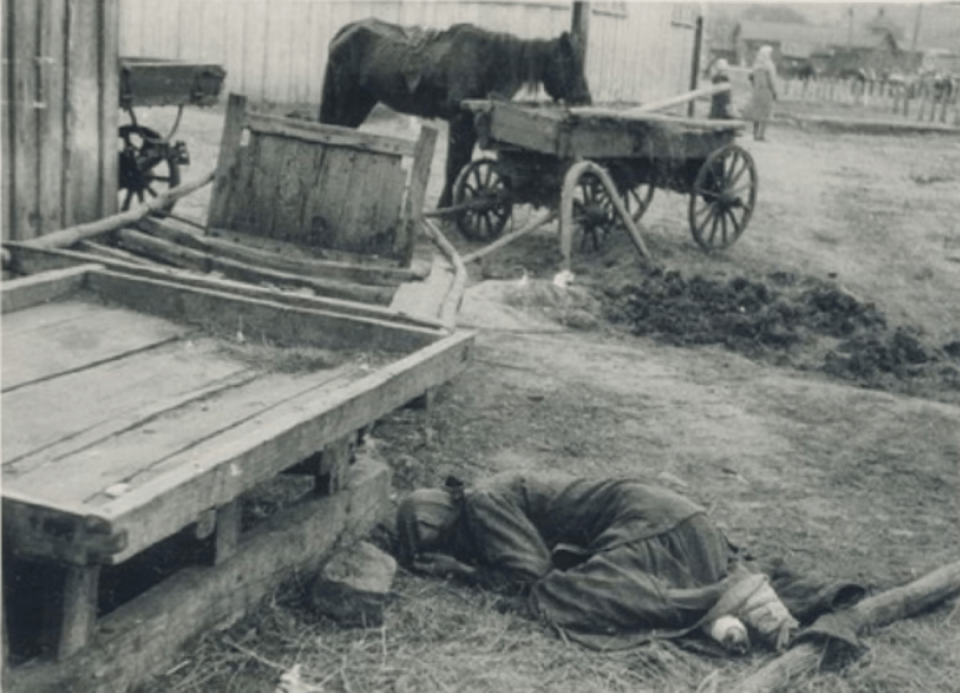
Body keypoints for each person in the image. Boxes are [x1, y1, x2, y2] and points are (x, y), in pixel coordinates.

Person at [395, 471, 804, 652]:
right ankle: (719, 616)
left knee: (561, 597)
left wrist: (465, 574)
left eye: (445, 541)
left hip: (657, 529)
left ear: (448, 514)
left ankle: (731, 596)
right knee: (613, 587)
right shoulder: (494, 492)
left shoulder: (481, 501)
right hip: (683, 526)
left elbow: (534, 574)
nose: (454, 549)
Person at [746, 45, 778, 141]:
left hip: (756, 91)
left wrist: (755, 85)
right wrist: (774, 92)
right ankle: (761, 135)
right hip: (766, 91)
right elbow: (771, 80)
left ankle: (755, 133)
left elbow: (750, 77)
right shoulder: (769, 65)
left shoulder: (755, 65)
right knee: (765, 113)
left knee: (757, 112)